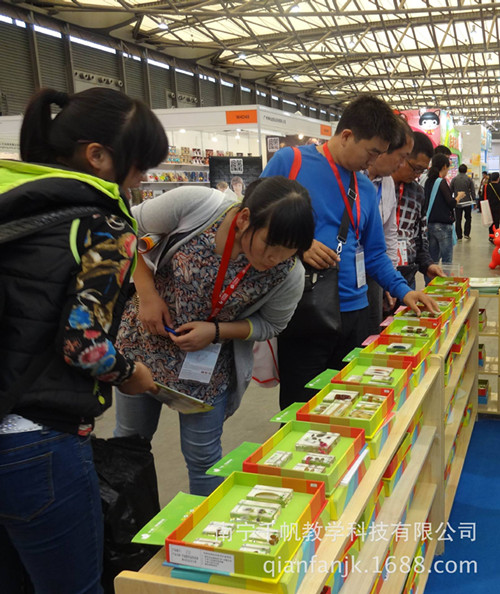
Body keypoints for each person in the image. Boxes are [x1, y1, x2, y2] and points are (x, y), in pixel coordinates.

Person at [0, 88, 168, 593]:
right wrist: (132, 374)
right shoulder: (103, 224)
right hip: (37, 441)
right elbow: (83, 343)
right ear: (97, 155)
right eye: (138, 168)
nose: (141, 182)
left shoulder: (14, 200)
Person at [114, 177, 315, 496]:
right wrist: (147, 294)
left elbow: (272, 325)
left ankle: (201, 529)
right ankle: (131, 525)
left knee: (205, 461)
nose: (273, 260)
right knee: (128, 445)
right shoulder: (198, 206)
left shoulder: (289, 274)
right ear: (245, 218)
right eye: (269, 245)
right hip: (143, 345)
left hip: (205, 369)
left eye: (287, 252)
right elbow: (123, 227)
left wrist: (217, 331)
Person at [261, 94, 439, 409]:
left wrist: (404, 291)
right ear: (346, 136)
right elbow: (254, 218)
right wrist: (299, 245)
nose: (373, 162)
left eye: (380, 154)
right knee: (302, 408)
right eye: (371, 152)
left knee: (350, 405)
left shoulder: (366, 188)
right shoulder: (291, 162)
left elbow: (374, 254)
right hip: (306, 310)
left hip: (356, 312)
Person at [364, 118, 415, 334]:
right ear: (383, 149)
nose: (402, 165)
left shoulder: (386, 183)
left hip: (374, 273)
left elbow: (389, 235)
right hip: (340, 279)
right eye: (401, 157)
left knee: (369, 332)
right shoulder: (354, 180)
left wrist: (391, 280)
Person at [391, 131, 446, 290]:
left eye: (422, 171)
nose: (417, 175)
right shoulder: (375, 187)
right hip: (377, 277)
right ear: (402, 156)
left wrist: (427, 264)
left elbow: (420, 237)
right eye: (415, 168)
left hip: (407, 276)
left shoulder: (417, 193)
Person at [424, 154, 460, 265]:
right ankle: (445, 277)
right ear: (444, 166)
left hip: (430, 224)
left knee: (432, 259)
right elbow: (451, 203)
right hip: (443, 225)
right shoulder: (441, 182)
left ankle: (431, 277)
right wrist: (458, 197)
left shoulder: (428, 181)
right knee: (447, 260)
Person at [451, 164, 475, 240]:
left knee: (458, 219)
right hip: (467, 202)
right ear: (466, 170)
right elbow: (472, 191)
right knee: (468, 218)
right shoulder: (469, 179)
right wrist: (474, 200)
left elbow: (450, 190)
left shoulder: (454, 179)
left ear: (459, 170)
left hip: (457, 202)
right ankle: (466, 234)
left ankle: (459, 235)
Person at [486, 172, 500, 240]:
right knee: (497, 221)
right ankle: (496, 235)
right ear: (498, 178)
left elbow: (484, 196)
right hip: (498, 207)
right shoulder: (499, 186)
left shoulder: (488, 186)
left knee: (491, 222)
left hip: (489, 206)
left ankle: (491, 236)